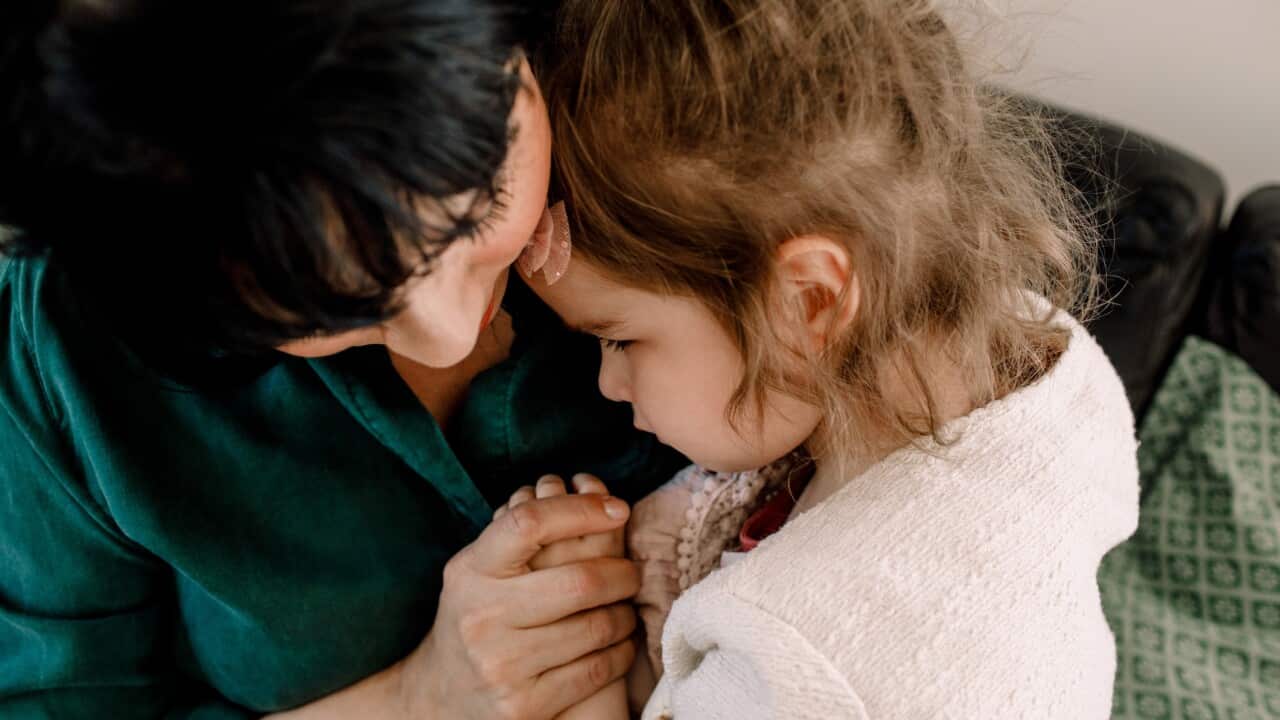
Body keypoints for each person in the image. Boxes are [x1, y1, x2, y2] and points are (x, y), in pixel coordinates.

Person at [0, 2, 683, 718]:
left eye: (479, 209)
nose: (452, 335)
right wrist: (421, 699)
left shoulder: (692, 90)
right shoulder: (65, 360)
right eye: (334, 313)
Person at [519, 0, 1142, 716]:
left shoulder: (811, 664)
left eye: (621, 338)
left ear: (809, 301)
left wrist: (583, 678)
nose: (609, 381)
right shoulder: (1026, 355)